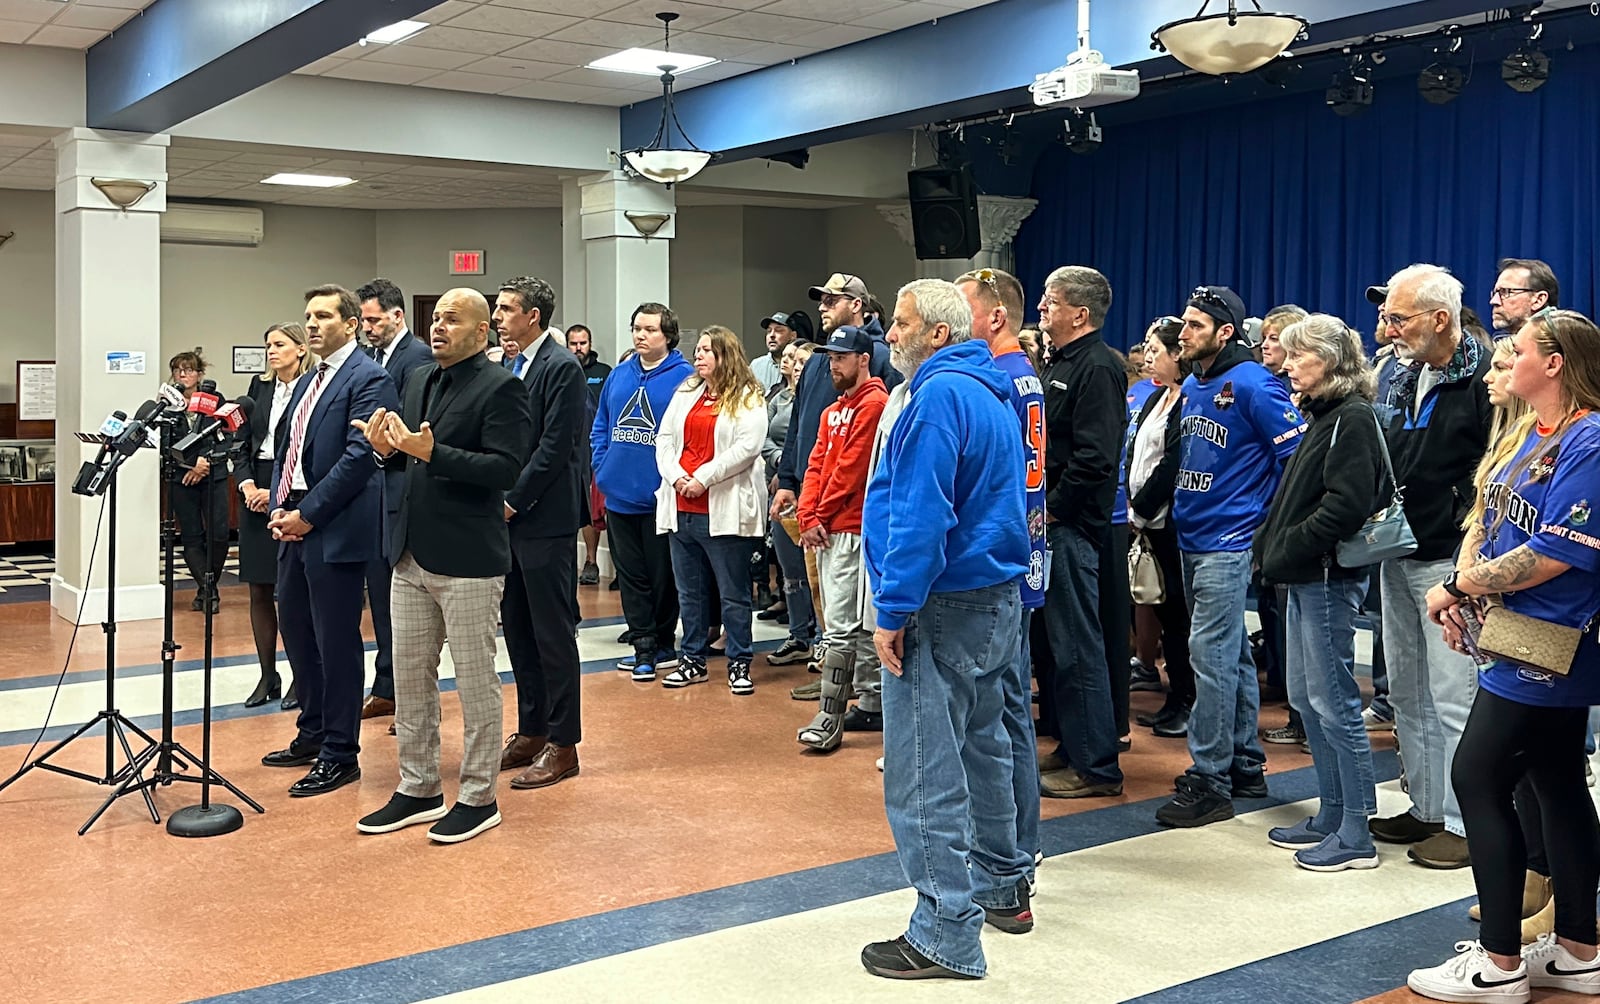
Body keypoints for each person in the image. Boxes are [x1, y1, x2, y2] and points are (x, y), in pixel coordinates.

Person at [1408, 308, 1600, 1002]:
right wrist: (1466, 596)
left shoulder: (1590, 438)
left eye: (1515, 350)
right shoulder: (1530, 433)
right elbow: (1486, 517)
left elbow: (1557, 550)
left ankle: (1498, 965)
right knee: (1555, 782)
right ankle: (1579, 950)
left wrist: (1456, 587)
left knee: (1478, 779)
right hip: (1512, 632)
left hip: (1552, 643)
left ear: (1553, 363)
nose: (1504, 361)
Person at [859, 278, 1030, 981]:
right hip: (993, 597)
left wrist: (892, 610)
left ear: (936, 331)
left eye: (900, 324)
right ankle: (1003, 886)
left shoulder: (935, 398)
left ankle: (944, 931)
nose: (890, 336)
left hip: (944, 602)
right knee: (986, 748)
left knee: (924, 769)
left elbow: (920, 515)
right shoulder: (993, 390)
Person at [353, 288, 533, 843]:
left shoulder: (503, 388)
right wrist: (388, 447)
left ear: (482, 333)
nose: (439, 328)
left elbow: (505, 468)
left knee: (476, 683)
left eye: (452, 320)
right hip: (410, 553)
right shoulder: (418, 380)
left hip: (469, 560)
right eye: (435, 319)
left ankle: (479, 797)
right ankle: (419, 786)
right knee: (409, 678)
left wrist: (433, 454)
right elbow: (409, 454)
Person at [1156, 285, 1305, 828]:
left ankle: (1210, 777)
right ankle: (1244, 764)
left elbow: (1297, 458)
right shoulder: (1197, 383)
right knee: (1231, 655)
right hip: (1192, 536)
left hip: (1229, 540)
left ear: (1225, 332)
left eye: (1196, 325)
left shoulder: (1253, 383)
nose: (1184, 333)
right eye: (1184, 323)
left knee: (1211, 658)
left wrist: (1267, 531)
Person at [1372, 264, 1493, 870]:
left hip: (1448, 556)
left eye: (1398, 318)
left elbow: (1495, 471)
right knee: (1409, 690)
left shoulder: (1486, 378)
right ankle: (1424, 804)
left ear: (1439, 319)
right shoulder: (1399, 373)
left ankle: (1465, 823)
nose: (1387, 329)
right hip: (1397, 550)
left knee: (1454, 694)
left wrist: (1470, 563)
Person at [1255, 315, 1386, 871]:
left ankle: (1357, 831)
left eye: (1298, 357)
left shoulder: (1350, 417)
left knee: (1334, 703)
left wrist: (1288, 549)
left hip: (1327, 574)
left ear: (1330, 361)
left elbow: (1346, 503)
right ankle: (1334, 812)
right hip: (1310, 574)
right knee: (1310, 700)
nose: (1286, 366)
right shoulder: (1327, 415)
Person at [262, 284, 399, 797]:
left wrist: (308, 514)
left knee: (336, 640)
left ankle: (341, 752)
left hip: (335, 525)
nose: (313, 324)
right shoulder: (307, 381)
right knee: (296, 628)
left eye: (323, 316)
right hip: (292, 519)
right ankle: (313, 731)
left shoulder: (369, 377)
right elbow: (287, 449)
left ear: (349, 323)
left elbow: (360, 457)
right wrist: (280, 504)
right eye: (308, 316)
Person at [956, 265, 1045, 886]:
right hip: (1024, 550)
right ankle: (1011, 839)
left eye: (966, 312)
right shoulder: (1023, 377)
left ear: (994, 317)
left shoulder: (1002, 380)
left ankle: (1015, 844)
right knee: (1004, 705)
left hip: (1006, 560)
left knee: (1004, 708)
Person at [494, 276, 590, 789]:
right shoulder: (514, 365)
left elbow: (555, 448)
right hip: (509, 521)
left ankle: (563, 742)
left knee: (553, 634)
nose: (498, 317)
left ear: (534, 316)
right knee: (519, 629)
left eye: (508, 309)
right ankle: (531, 728)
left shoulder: (561, 367)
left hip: (543, 519)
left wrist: (513, 500)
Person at [1034, 266, 1125, 799]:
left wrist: (1052, 512)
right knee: (1053, 645)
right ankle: (1071, 744)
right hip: (1051, 526)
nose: (1043, 309)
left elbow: (1095, 459)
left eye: (1051, 301)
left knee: (1077, 645)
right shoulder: (1060, 362)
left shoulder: (1098, 367)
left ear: (1080, 313)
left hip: (1071, 527)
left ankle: (1097, 766)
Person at [654, 325, 768, 694]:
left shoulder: (748, 396)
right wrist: (676, 476)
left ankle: (739, 662)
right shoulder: (687, 391)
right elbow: (665, 439)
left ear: (725, 355)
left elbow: (747, 448)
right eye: (698, 350)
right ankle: (692, 660)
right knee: (689, 592)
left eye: (707, 350)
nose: (698, 356)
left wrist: (702, 477)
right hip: (682, 505)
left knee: (733, 593)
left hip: (723, 508)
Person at [794, 325, 887, 749]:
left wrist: (818, 515)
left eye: (841, 358)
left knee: (844, 627)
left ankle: (830, 716)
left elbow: (851, 471)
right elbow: (816, 465)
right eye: (830, 358)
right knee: (845, 621)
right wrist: (807, 512)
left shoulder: (875, 405)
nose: (833, 365)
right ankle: (871, 702)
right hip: (827, 526)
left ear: (863, 359)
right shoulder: (832, 411)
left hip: (851, 527)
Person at [592, 303, 694, 681]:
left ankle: (665, 642)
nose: (640, 335)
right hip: (618, 492)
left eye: (649, 330)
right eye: (636, 328)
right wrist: (601, 464)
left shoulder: (685, 379)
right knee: (630, 575)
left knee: (662, 575)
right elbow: (601, 423)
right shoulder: (619, 375)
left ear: (667, 335)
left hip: (660, 495)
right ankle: (643, 646)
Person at [355, 277, 430, 724]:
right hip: (374, 486)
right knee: (380, 596)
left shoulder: (416, 356)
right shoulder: (371, 356)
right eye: (364, 320)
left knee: (398, 599)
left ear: (397, 315)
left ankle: (400, 689)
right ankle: (386, 685)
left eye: (374, 319)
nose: (367, 327)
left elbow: (407, 421)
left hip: (401, 487)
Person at [235, 324, 313, 709]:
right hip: (256, 487)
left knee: (294, 591)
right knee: (259, 587)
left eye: (279, 344)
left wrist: (276, 491)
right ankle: (268, 674)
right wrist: (248, 486)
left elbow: (305, 445)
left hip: (291, 486)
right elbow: (242, 443)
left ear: (300, 349)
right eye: (267, 345)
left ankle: (303, 676)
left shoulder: (312, 386)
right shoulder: (259, 388)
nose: (271, 351)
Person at [1126, 317, 1195, 737]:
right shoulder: (1156, 398)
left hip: (1169, 521)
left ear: (1177, 355)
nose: (1148, 357)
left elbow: (1174, 461)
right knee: (1163, 612)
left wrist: (1144, 503)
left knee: (1180, 619)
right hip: (1144, 518)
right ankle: (1175, 698)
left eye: (1156, 350)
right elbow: (1137, 451)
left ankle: (1187, 699)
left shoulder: (1189, 399)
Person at [764, 340, 820, 671]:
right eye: (793, 361)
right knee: (790, 569)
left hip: (809, 489)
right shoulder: (780, 398)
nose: (797, 367)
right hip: (783, 487)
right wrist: (781, 466)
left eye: (803, 362)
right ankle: (798, 634)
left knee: (815, 571)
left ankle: (822, 637)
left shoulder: (822, 400)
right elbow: (767, 438)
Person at [166, 348, 231, 614]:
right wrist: (190, 465)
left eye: (189, 369)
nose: (183, 374)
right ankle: (209, 592)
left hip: (214, 475)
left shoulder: (215, 399)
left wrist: (205, 463)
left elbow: (227, 436)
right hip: (183, 480)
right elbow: (164, 444)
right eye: (177, 369)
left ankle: (207, 587)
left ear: (199, 373)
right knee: (192, 535)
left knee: (219, 535)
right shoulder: (167, 403)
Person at [567, 322, 611, 586]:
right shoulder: (561, 370)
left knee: (593, 507)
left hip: (595, 450)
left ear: (590, 344)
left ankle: (591, 561)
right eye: (574, 343)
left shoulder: (603, 373)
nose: (578, 348)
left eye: (583, 343)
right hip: (568, 450)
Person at [1488, 257, 1559, 341]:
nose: (1493, 301)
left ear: (1538, 300)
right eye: (1495, 293)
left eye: (1505, 292)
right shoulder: (1501, 346)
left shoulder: (1559, 346)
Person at [754, 311, 799, 391]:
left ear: (792, 336)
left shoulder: (799, 365)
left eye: (778, 330)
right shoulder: (756, 365)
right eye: (769, 331)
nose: (772, 335)